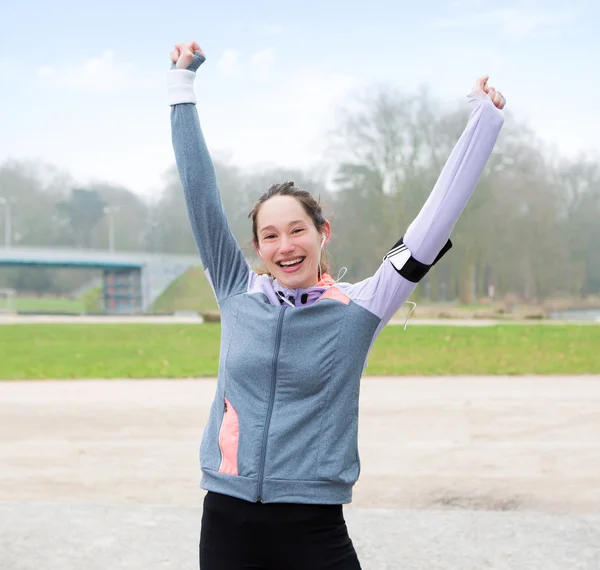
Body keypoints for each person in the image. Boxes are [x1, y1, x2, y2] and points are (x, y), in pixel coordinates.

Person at [167, 40, 506, 570]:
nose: (286, 246)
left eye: (298, 229)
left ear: (323, 233)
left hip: (313, 523)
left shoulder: (361, 306)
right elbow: (199, 196)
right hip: (227, 516)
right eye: (271, 235)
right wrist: (181, 89)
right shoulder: (236, 291)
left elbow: (429, 229)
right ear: (257, 248)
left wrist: (482, 123)